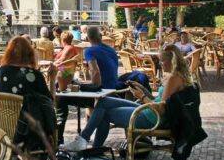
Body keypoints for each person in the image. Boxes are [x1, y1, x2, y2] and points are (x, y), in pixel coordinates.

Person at [61, 44, 192, 151]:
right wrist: (143, 91)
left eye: (162, 61)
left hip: (151, 117)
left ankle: (91, 147)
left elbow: (162, 110)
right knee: (103, 101)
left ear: (171, 61)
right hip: (150, 110)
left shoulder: (173, 79)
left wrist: (141, 97)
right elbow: (162, 102)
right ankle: (87, 143)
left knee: (103, 112)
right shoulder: (180, 77)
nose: (161, 64)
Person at [56, 26, 118, 144]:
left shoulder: (88, 50)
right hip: (113, 90)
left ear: (88, 38)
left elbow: (95, 71)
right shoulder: (111, 50)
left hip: (103, 92)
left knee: (61, 98)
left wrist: (93, 87)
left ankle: (58, 140)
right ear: (100, 36)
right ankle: (92, 143)